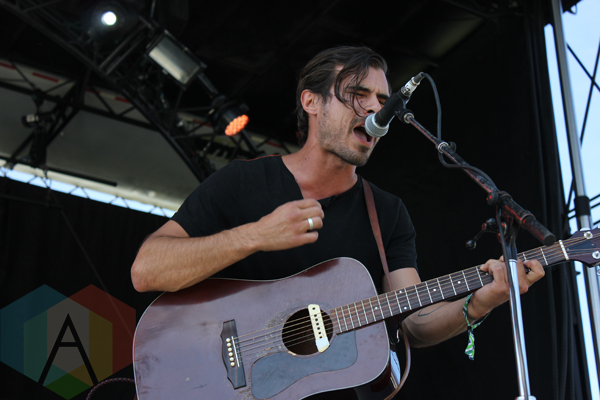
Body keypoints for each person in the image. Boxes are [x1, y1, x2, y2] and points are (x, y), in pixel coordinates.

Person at [131, 46, 544, 396]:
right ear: (311, 103)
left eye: (382, 101)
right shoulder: (243, 182)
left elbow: (415, 321)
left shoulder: (387, 213)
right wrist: (255, 235)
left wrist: (480, 301)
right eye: (357, 95)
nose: (375, 109)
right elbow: (147, 270)